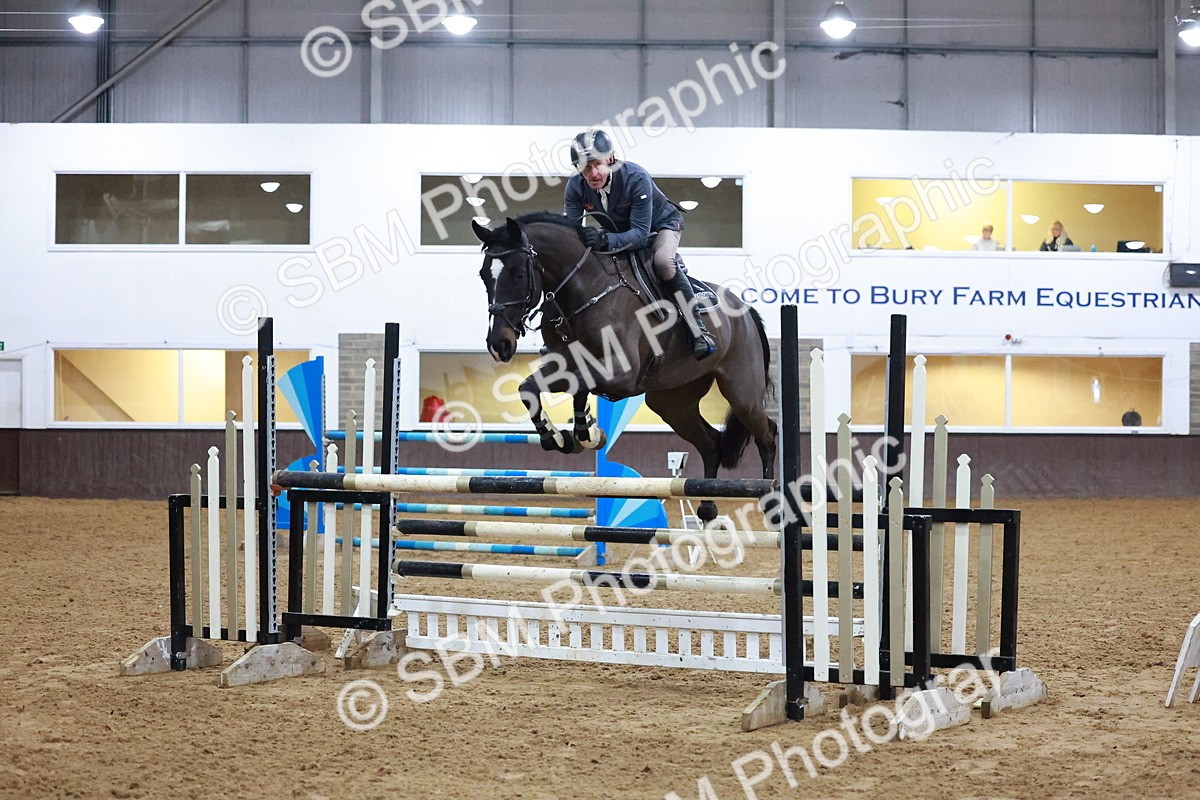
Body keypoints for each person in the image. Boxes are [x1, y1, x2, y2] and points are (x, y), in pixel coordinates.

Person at [563, 129, 715, 360]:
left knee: (663, 262)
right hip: (619, 231)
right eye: (585, 167)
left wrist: (604, 239)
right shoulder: (575, 187)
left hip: (659, 227)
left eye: (597, 164)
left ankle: (698, 330)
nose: (592, 173)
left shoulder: (636, 177)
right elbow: (571, 232)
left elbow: (642, 234)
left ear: (610, 158)